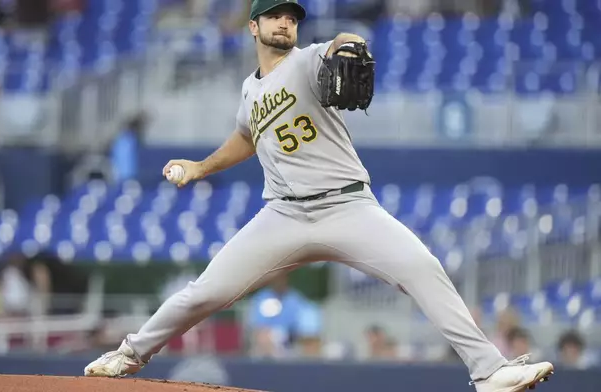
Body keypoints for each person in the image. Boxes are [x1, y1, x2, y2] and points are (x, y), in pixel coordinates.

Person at [83, 1, 554, 390]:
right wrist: (200, 166)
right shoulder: (250, 90)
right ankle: (129, 355)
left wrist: (353, 44)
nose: (286, 22)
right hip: (283, 216)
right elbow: (246, 138)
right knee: (204, 292)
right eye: (275, 15)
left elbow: (341, 41)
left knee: (421, 267)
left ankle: (489, 370)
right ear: (253, 27)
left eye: (291, 16)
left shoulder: (308, 60)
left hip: (347, 206)